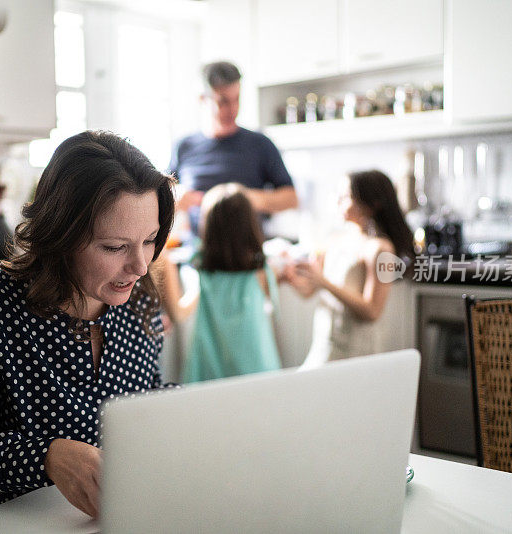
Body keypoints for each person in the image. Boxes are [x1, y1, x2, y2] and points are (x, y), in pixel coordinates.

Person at [0, 130, 175, 518]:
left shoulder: (137, 298)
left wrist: (187, 412)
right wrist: (46, 457)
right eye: (114, 247)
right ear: (61, 234)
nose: (140, 266)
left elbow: (144, 401)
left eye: (150, 240)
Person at [284, 170, 414, 364]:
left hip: (356, 349)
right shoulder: (335, 240)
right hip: (325, 342)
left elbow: (372, 311)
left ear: (370, 204)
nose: (338, 201)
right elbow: (309, 291)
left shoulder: (380, 249)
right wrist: (290, 276)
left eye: (346, 196)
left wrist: (323, 282)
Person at [160, 182, 281, 382]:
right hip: (258, 368)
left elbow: (179, 314)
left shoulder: (201, 273)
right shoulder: (262, 272)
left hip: (211, 373)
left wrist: (165, 258)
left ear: (208, 227)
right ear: (249, 226)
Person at [168, 61, 298, 234]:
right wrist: (176, 197)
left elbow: (291, 198)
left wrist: (245, 199)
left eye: (236, 99)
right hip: (198, 252)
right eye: (223, 102)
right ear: (203, 99)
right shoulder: (183, 147)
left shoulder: (261, 144)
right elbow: (164, 195)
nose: (233, 109)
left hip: (248, 251)